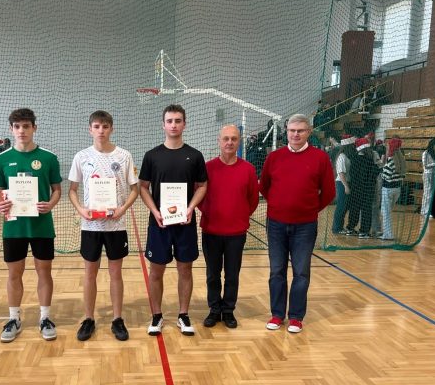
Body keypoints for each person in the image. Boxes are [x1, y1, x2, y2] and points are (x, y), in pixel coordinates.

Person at [68, 110, 139, 341]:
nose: (101, 131)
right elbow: (72, 190)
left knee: (115, 273)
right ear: (90, 129)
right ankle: (88, 318)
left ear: (111, 129)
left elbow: (135, 189)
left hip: (116, 225)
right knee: (90, 273)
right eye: (97, 127)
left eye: (105, 126)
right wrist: (81, 210)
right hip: (91, 227)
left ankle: (117, 319)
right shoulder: (81, 156)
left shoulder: (124, 156)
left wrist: (122, 209)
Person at [260, 114, 335, 334]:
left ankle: (296, 317)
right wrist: (279, 205)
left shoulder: (320, 158)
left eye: (300, 131)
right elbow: (264, 186)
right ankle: (277, 314)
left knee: (301, 272)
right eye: (292, 130)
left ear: (308, 132)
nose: (295, 134)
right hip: (276, 225)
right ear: (286, 132)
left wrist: (309, 210)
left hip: (305, 226)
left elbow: (329, 192)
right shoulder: (274, 157)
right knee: (277, 271)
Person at [0, 108, 62, 342]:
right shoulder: (1, 160)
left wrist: (50, 204)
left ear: (34, 127)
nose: (21, 130)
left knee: (44, 272)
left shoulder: (49, 158)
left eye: (26, 126)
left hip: (42, 226)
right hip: (14, 228)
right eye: (17, 126)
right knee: (14, 273)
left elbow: (57, 190)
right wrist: (1, 204)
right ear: (11, 129)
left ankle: (45, 318)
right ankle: (14, 318)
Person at [139, 104, 207, 336]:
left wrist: (190, 208)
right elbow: (143, 187)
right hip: (159, 223)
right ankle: (157, 315)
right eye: (169, 121)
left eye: (178, 121)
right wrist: (155, 211)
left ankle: (183, 315)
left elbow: (202, 186)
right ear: (163, 125)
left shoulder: (195, 155)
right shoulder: (152, 155)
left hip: (184, 223)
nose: (174, 125)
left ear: (184, 124)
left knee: (185, 269)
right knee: (156, 271)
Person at [199, 125, 258, 329]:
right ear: (219, 141)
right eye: (226, 138)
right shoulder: (207, 168)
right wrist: (210, 213)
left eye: (234, 139)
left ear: (239, 141)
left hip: (236, 233)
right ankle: (214, 309)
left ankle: (228, 310)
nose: (230, 142)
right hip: (211, 231)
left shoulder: (248, 169)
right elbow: (198, 196)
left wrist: (238, 215)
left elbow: (253, 199)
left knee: (232, 275)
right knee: (212, 274)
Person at [346, 137, 381, 239]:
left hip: (355, 188)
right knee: (366, 210)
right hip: (367, 189)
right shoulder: (370, 161)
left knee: (354, 208)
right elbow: (375, 172)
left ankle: (350, 228)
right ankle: (364, 232)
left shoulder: (353, 159)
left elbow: (352, 174)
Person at [379, 137, 406, 241]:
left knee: (385, 213)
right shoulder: (401, 160)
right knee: (387, 212)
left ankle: (388, 235)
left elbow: (385, 176)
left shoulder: (391, 161)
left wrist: (382, 169)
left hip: (388, 189)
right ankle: (386, 232)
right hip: (397, 189)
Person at [331, 135, 354, 234]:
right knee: (341, 206)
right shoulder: (342, 157)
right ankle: (337, 228)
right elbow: (341, 173)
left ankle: (340, 227)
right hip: (342, 183)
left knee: (344, 206)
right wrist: (346, 186)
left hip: (345, 182)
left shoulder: (345, 156)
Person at [420, 138, 435, 216]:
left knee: (431, 193)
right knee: (427, 193)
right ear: (432, 145)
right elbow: (425, 165)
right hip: (427, 174)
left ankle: (427, 210)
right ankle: (425, 211)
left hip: (434, 174)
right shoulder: (425, 153)